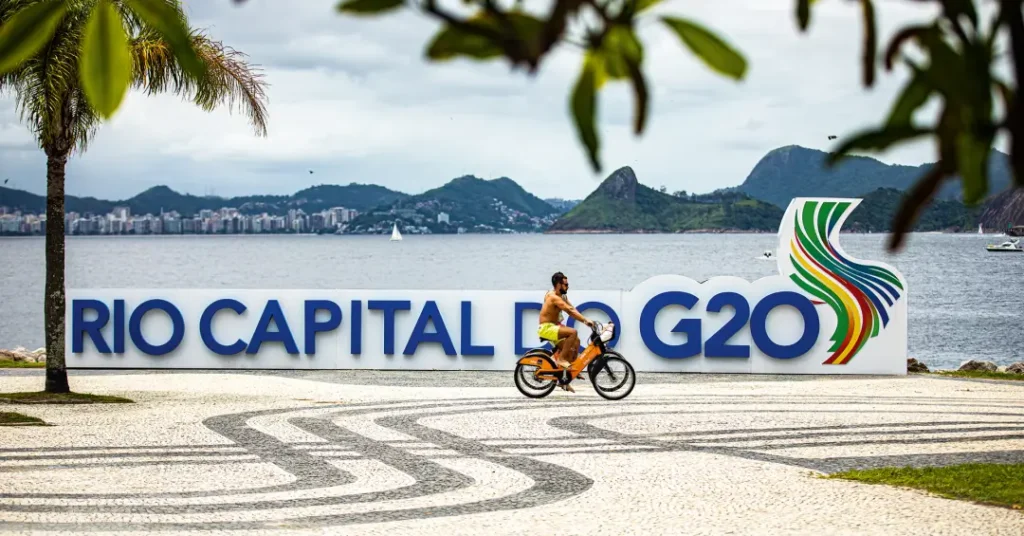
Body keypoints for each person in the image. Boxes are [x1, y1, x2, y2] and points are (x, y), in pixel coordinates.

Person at [538, 272, 594, 386]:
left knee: (576, 341)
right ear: (558, 285)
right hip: (546, 328)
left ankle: (569, 372)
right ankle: (561, 359)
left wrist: (585, 318)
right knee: (572, 332)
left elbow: (572, 308)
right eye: (565, 284)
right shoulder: (553, 297)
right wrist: (585, 320)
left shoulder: (562, 296)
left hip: (555, 326)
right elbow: (569, 311)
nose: (568, 286)